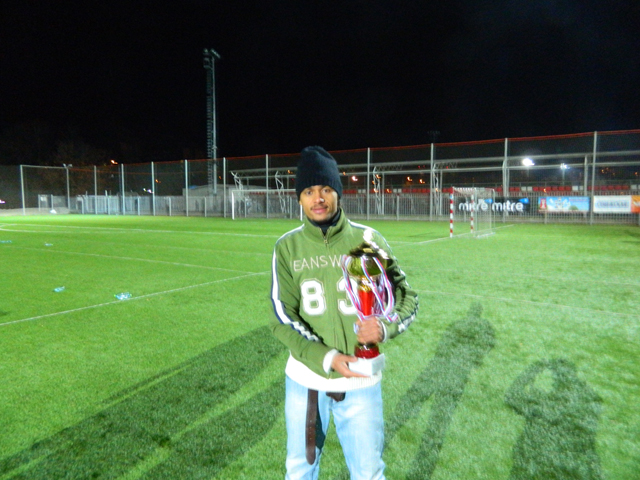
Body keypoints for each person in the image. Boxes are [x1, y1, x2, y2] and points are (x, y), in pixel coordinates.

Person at [270, 146, 419, 480]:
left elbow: (406, 295)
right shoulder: (287, 247)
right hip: (307, 380)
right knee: (299, 471)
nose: (318, 198)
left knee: (368, 473)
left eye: (325, 188)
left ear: (338, 192)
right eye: (309, 191)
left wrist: (386, 326)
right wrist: (327, 357)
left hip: (361, 379)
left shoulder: (367, 239)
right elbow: (281, 318)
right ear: (299, 198)